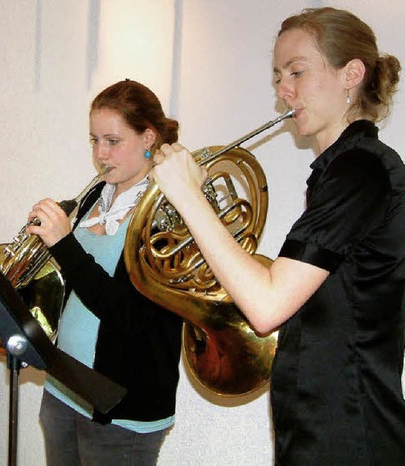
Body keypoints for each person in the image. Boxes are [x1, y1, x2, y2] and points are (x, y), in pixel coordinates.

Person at [153, 7, 405, 465]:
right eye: (277, 76)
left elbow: (267, 306)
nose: (283, 91)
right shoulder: (339, 174)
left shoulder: (361, 170)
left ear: (351, 75)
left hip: (350, 436)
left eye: (297, 71)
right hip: (315, 428)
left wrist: (191, 200)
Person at [27, 79, 183, 465]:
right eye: (94, 140)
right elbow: (72, 287)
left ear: (148, 137)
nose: (100, 154)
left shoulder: (169, 212)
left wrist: (65, 245)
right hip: (66, 388)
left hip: (121, 406)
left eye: (112, 141)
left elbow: (129, 314)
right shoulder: (97, 195)